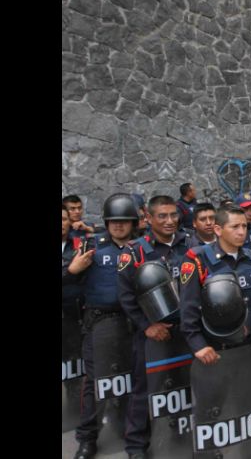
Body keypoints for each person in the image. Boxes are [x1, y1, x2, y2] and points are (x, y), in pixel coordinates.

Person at [117, 195, 191, 458]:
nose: (170, 221)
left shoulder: (189, 243)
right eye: (162, 216)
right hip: (152, 333)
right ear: (148, 218)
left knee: (188, 386)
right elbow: (125, 295)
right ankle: (136, 446)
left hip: (187, 331)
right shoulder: (134, 252)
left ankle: (186, 438)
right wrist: (146, 326)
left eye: (173, 215)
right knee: (145, 391)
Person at [69, 194, 139, 459]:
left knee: (133, 379)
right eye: (113, 221)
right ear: (107, 222)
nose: (118, 226)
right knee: (96, 384)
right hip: (100, 322)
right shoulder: (92, 246)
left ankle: (129, 430)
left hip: (134, 323)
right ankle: (87, 438)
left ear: (133, 222)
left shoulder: (142, 248)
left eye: (124, 221)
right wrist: (72, 271)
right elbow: (69, 280)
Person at [179, 205, 251, 363]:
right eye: (235, 227)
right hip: (215, 350)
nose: (241, 232)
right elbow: (188, 306)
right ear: (218, 230)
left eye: (244, 226)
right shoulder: (198, 259)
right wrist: (198, 345)